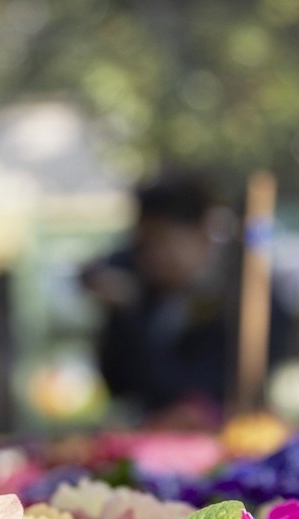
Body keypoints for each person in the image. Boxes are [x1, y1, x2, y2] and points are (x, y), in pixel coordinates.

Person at [82, 172, 233, 423]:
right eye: (145, 245)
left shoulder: (237, 302)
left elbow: (188, 390)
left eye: (165, 243)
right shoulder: (145, 292)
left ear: (202, 236)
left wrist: (131, 313)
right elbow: (119, 385)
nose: (153, 257)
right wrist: (122, 315)